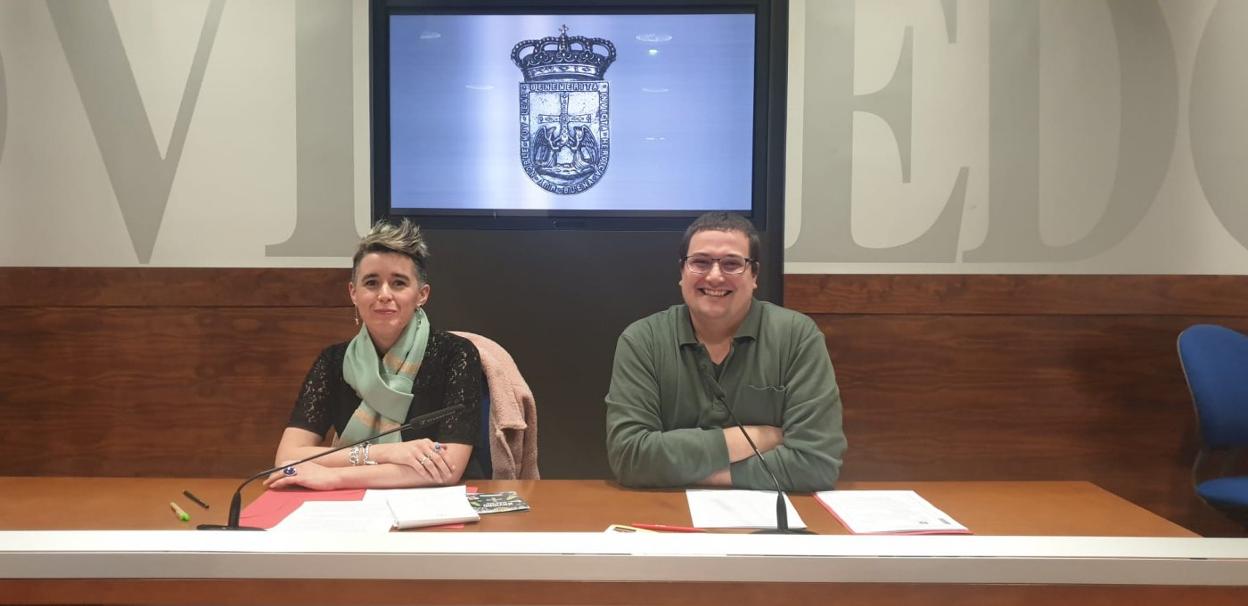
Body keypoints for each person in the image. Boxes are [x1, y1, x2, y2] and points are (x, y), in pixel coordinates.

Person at [605, 212, 847, 491]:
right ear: (682, 272)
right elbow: (630, 458)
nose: (715, 276)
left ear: (754, 275)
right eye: (700, 262)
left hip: (769, 512)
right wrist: (758, 437)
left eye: (732, 264)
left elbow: (817, 464)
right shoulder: (642, 340)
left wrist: (682, 470)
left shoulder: (797, 337)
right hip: (667, 510)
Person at [265, 219, 484, 491]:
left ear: (422, 295)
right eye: (371, 283)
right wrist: (387, 452)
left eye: (399, 283)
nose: (384, 295)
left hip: (437, 503)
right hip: (353, 505)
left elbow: (447, 468)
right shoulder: (333, 362)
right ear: (353, 293)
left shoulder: (457, 354)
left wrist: (336, 477)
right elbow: (287, 457)